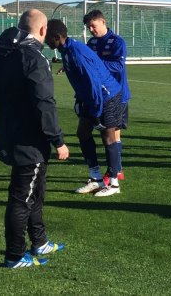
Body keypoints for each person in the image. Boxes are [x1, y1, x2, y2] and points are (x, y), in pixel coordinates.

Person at [0, 9, 69, 268]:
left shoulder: (0, 54)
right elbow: (44, 102)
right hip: (29, 139)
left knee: (35, 192)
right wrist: (58, 140)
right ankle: (13, 254)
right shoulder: (33, 57)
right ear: (43, 30)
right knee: (22, 197)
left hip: (8, 132)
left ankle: (39, 240)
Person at [45, 19, 124, 197]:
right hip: (92, 98)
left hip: (107, 96)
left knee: (108, 138)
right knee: (82, 133)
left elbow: (93, 83)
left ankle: (113, 183)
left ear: (57, 37)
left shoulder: (75, 53)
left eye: (48, 37)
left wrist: (96, 112)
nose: (45, 40)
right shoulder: (66, 49)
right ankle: (95, 178)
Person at [83, 9, 129, 185]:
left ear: (102, 22)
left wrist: (95, 63)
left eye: (93, 26)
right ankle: (116, 170)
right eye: (89, 28)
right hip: (100, 95)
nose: (92, 30)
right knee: (108, 134)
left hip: (118, 94)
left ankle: (115, 172)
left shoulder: (117, 41)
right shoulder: (92, 42)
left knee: (114, 135)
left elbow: (118, 66)